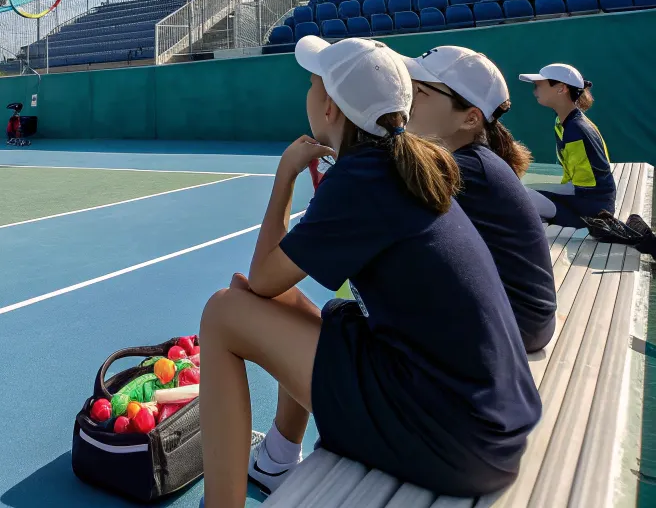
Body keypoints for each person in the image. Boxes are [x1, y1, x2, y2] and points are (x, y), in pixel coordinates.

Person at [198, 36, 540, 507]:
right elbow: (273, 287)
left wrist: (285, 177)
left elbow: (260, 278)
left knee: (222, 314)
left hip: (455, 438)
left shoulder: (362, 179)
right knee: (318, 310)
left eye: (314, 83)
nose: (309, 92)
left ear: (330, 108)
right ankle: (276, 460)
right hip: (488, 422)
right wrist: (263, 296)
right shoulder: (406, 162)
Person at [404, 46, 557, 353]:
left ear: (470, 119)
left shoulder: (464, 169)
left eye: (419, 90)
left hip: (515, 323)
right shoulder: (470, 161)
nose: (405, 96)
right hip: (522, 320)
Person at [518, 63, 615, 229]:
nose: (535, 91)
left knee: (518, 197)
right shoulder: (565, 122)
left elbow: (585, 190)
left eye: (538, 86)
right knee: (520, 193)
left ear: (561, 89)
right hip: (590, 200)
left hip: (593, 211)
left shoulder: (575, 129)